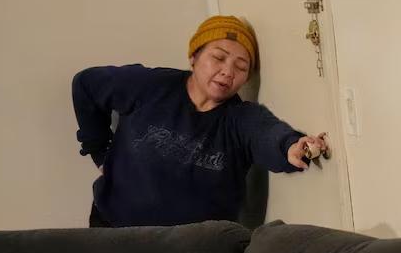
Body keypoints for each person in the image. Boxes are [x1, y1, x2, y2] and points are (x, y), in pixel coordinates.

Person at [72, 15, 329, 228]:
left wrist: (291, 146)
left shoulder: (240, 118)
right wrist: (99, 151)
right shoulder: (151, 86)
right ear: (194, 57)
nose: (227, 72)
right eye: (218, 57)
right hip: (114, 231)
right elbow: (85, 84)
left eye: (241, 67)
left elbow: (267, 133)